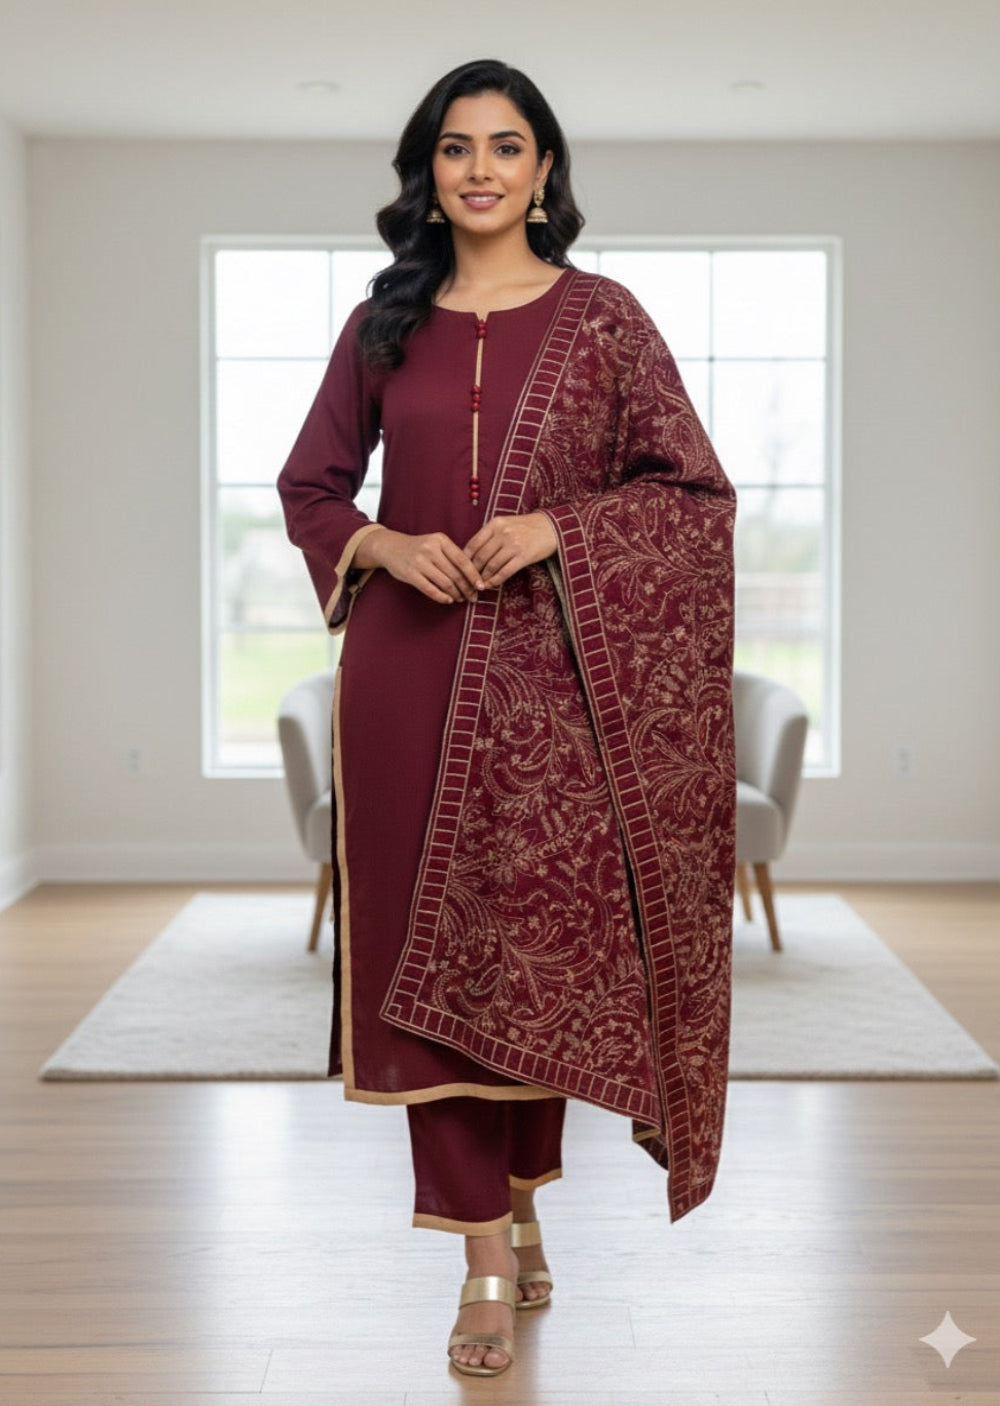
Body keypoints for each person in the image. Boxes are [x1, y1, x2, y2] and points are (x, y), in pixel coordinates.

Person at [276, 57, 737, 1379]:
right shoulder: (383, 325)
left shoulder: (605, 322)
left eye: (506, 146)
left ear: (543, 171)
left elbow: (693, 496)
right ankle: (485, 1257)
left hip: (556, 690)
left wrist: (556, 530)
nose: (479, 169)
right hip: (404, 678)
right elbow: (312, 485)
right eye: (456, 147)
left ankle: (522, 1199)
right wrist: (380, 545)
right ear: (429, 172)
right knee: (421, 963)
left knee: (534, 953)